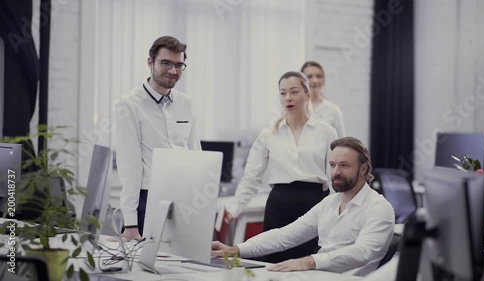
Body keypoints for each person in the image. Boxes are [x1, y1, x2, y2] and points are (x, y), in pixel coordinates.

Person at [214, 137, 395, 276]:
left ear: (363, 169)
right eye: (332, 165)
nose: (336, 172)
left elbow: (362, 252)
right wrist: (236, 250)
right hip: (317, 277)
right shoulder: (329, 203)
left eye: (344, 165)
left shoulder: (379, 208)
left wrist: (309, 262)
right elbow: (284, 236)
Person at [224, 71, 339, 263]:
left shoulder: (326, 131)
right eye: (283, 93)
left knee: (310, 264)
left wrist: (337, 212)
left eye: (294, 92)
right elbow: (251, 177)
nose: (288, 98)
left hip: (314, 204)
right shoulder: (268, 134)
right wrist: (236, 207)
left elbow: (335, 177)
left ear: (307, 95)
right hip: (279, 205)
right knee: (275, 264)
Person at [115, 36, 201, 241]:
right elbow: (130, 168)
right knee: (142, 268)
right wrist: (131, 223)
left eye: (179, 65)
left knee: (182, 267)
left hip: (183, 199)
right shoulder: (129, 105)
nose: (173, 71)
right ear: (150, 62)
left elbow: (196, 155)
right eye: (166, 63)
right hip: (148, 199)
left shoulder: (185, 103)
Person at [301, 61, 346, 138]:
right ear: (301, 82)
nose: (315, 81)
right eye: (309, 76)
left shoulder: (333, 110)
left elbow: (342, 142)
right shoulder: (296, 108)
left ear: (324, 80)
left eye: (319, 76)